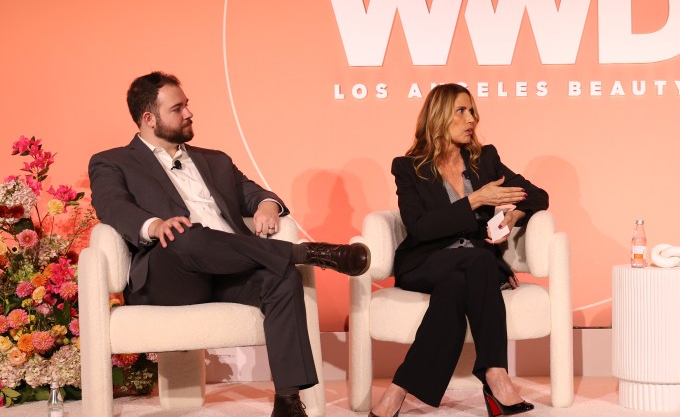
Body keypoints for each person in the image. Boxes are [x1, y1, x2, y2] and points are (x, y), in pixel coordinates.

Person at [88, 71, 371, 417]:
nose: (189, 113)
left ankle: (288, 401)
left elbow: (253, 193)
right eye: (177, 109)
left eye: (187, 105)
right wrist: (155, 225)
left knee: (282, 277)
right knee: (184, 233)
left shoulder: (215, 160)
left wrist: (267, 205)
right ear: (149, 118)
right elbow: (112, 205)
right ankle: (305, 253)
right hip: (170, 277)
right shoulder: (112, 161)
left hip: (227, 270)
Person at [368, 83, 548, 417]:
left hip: (470, 268)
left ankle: (398, 390)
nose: (472, 119)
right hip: (425, 263)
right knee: (479, 260)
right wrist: (475, 200)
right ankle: (495, 374)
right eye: (461, 111)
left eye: (472, 111)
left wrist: (515, 215)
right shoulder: (408, 167)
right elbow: (420, 227)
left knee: (456, 286)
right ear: (438, 116)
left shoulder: (485, 160)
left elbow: (538, 195)